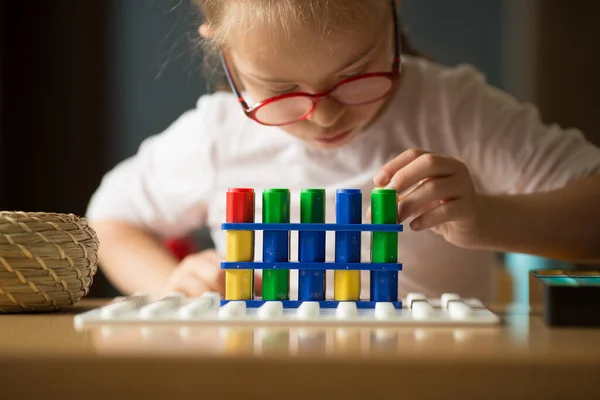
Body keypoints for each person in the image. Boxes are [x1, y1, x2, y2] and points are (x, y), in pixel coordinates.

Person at [86, 0, 600, 301]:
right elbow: (108, 221)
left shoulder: (453, 109)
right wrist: (171, 282)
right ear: (225, 56)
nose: (325, 114)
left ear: (392, 15)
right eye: (281, 89)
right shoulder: (217, 135)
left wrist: (489, 218)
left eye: (356, 75)